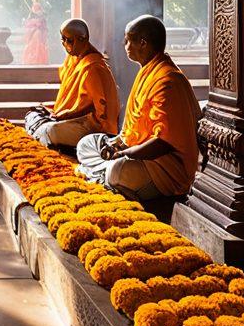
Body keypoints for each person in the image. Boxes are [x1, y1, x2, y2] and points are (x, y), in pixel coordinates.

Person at [75, 15, 200, 201]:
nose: (124, 45)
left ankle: (103, 174)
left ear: (142, 43)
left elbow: (163, 143)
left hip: (165, 167)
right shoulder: (148, 71)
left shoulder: (168, 81)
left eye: (128, 40)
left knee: (117, 170)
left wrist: (123, 154)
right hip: (137, 153)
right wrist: (116, 143)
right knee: (86, 144)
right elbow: (134, 128)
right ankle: (102, 173)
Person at [23, 19, 119, 148]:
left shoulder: (94, 67)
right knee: (33, 115)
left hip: (93, 125)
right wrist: (57, 111)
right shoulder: (73, 59)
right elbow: (69, 98)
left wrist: (68, 114)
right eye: (62, 39)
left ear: (82, 39)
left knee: (51, 130)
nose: (64, 43)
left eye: (68, 40)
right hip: (70, 117)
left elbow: (100, 110)